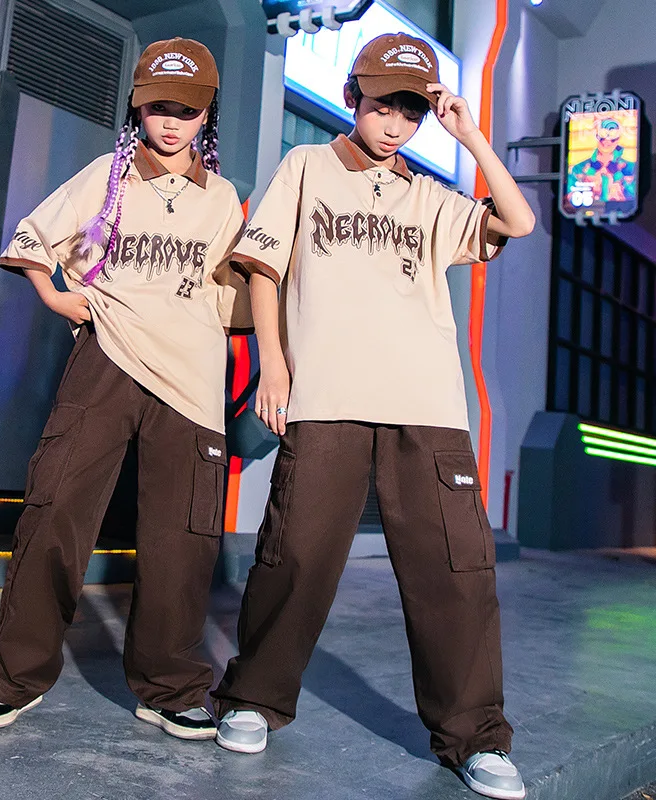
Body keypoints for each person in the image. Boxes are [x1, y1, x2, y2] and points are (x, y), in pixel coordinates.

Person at [210, 32, 535, 800]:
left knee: (456, 573)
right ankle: (254, 696)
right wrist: (274, 365)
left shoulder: (431, 196)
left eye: (411, 113)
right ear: (353, 97)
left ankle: (476, 737)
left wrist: (470, 136)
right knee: (294, 556)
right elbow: (264, 269)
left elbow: (517, 222)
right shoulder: (307, 167)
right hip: (328, 399)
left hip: (428, 408)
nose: (395, 125)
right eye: (384, 105)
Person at [0, 37, 251, 742]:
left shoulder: (222, 199)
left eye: (187, 110)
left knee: (181, 539)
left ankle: (170, 688)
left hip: (191, 381)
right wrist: (56, 295)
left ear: (207, 115)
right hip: (107, 361)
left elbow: (231, 300)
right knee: (54, 513)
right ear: (138, 108)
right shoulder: (109, 176)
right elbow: (37, 238)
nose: (171, 122)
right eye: (158, 107)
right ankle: (14, 680)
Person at [567, 116, 636, 205]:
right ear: (596, 136)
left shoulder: (631, 168)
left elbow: (637, 197)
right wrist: (587, 186)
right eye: (602, 138)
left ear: (618, 139)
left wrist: (620, 182)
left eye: (612, 139)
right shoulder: (579, 168)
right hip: (587, 212)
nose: (606, 142)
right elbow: (568, 200)